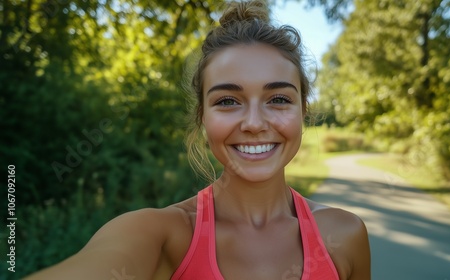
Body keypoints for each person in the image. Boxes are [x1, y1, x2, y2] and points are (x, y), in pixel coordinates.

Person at [26, 1, 370, 279]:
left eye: (278, 98)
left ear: (303, 111)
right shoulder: (164, 236)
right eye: (228, 101)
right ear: (202, 117)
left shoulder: (344, 235)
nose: (253, 123)